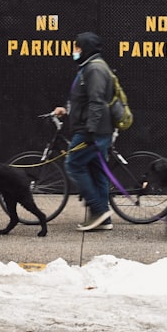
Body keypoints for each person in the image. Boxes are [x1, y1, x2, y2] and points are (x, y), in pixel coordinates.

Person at [53, 31, 115, 231]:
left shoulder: (94, 69)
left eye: (77, 47)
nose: (74, 51)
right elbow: (83, 99)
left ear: (85, 48)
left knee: (74, 164)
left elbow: (96, 102)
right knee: (97, 171)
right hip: (94, 129)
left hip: (92, 131)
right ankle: (103, 219)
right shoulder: (88, 67)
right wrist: (67, 110)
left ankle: (99, 210)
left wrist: (91, 131)